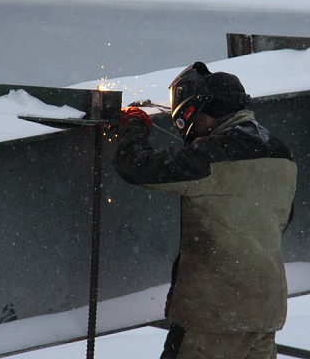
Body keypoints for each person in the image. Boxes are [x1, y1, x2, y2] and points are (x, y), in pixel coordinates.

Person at [114, 61, 297, 359]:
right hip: (266, 311)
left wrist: (134, 126)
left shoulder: (212, 154)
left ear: (201, 111)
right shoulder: (281, 153)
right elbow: (283, 219)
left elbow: (136, 167)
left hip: (216, 313)